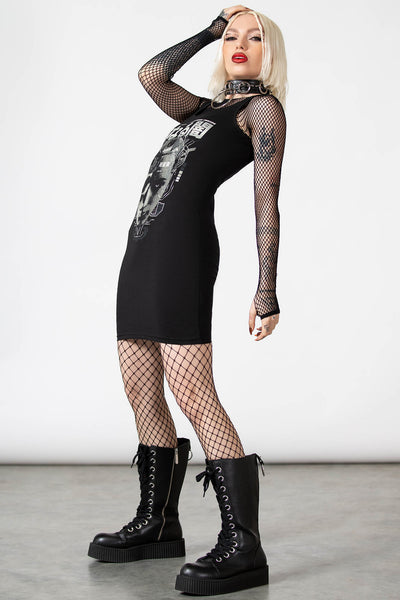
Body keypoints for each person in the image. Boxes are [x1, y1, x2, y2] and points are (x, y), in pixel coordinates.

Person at [87, 4, 287, 596]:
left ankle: (243, 545)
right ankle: (157, 522)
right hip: (143, 251)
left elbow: (266, 204)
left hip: (183, 255)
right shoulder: (201, 109)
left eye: (255, 37)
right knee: (140, 386)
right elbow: (151, 74)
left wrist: (267, 289)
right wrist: (206, 30)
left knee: (193, 391)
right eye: (232, 36)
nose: (240, 43)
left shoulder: (261, 111)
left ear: (270, 52)